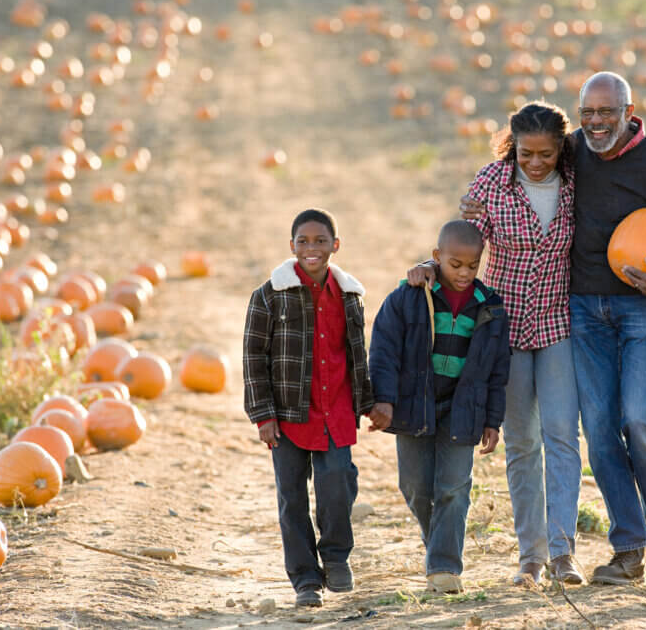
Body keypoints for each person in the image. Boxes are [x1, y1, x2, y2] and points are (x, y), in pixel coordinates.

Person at [462, 72, 646, 585]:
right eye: (589, 113)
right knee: (598, 430)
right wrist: (468, 217)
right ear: (579, 116)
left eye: (608, 112)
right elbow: (511, 175)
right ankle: (629, 549)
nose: (597, 123)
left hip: (642, 308)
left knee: (637, 421)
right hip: (581, 308)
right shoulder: (570, 152)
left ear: (629, 111)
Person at [409, 101, 585, 586]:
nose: (534, 163)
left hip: (557, 324)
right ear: (512, 147)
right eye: (525, 153)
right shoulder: (492, 182)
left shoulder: (576, 182)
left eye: (545, 154)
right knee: (522, 442)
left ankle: (564, 551)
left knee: (562, 437)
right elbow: (464, 244)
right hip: (503, 328)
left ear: (560, 149)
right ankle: (530, 556)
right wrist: (428, 268)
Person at [242, 208, 391, 608]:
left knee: (338, 480)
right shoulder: (269, 296)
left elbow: (357, 356)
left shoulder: (350, 296)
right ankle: (306, 579)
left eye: (320, 241)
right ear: (291, 246)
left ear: (335, 246)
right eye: (303, 242)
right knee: (292, 498)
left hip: (335, 410)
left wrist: (369, 403)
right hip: (288, 415)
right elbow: (254, 359)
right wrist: (263, 415)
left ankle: (337, 556)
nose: (312, 249)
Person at [369, 220, 511, 594]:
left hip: (463, 409)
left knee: (453, 488)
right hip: (415, 405)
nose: (464, 273)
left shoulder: (490, 307)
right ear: (436, 258)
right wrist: (382, 400)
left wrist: (493, 420)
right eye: (455, 265)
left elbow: (498, 370)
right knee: (415, 487)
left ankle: (445, 568)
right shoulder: (408, 298)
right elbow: (382, 351)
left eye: (472, 266)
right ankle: (439, 546)